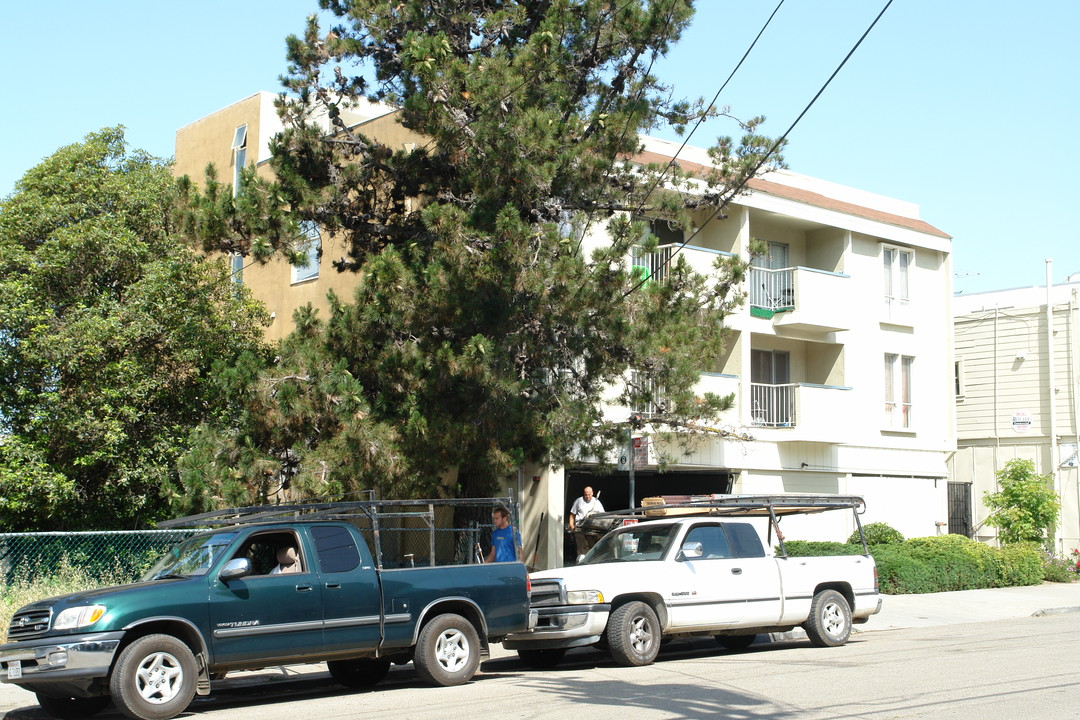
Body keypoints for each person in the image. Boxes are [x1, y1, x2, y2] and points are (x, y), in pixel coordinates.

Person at [569, 486, 604, 557]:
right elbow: (572, 515)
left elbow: (603, 515)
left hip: (593, 529)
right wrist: (571, 525)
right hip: (580, 529)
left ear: (592, 493)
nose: (587, 496)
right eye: (586, 494)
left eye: (589, 494)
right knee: (582, 548)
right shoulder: (579, 501)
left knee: (593, 549)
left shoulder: (596, 502)